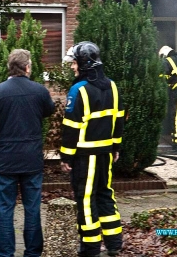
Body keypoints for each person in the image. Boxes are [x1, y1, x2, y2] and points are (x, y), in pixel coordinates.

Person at [0, 49, 55, 257]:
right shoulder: (39, 91)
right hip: (31, 159)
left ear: (10, 67)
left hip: (5, 159)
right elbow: (49, 110)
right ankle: (33, 253)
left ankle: (5, 253)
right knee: (32, 208)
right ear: (27, 67)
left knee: (5, 209)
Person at [60, 42, 124, 257]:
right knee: (105, 194)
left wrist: (66, 155)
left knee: (86, 199)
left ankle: (91, 248)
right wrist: (116, 147)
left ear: (84, 65)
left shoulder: (79, 90)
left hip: (84, 156)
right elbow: (119, 120)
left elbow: (71, 127)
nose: (72, 67)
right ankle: (115, 243)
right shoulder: (113, 86)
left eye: (75, 63)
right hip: (105, 153)